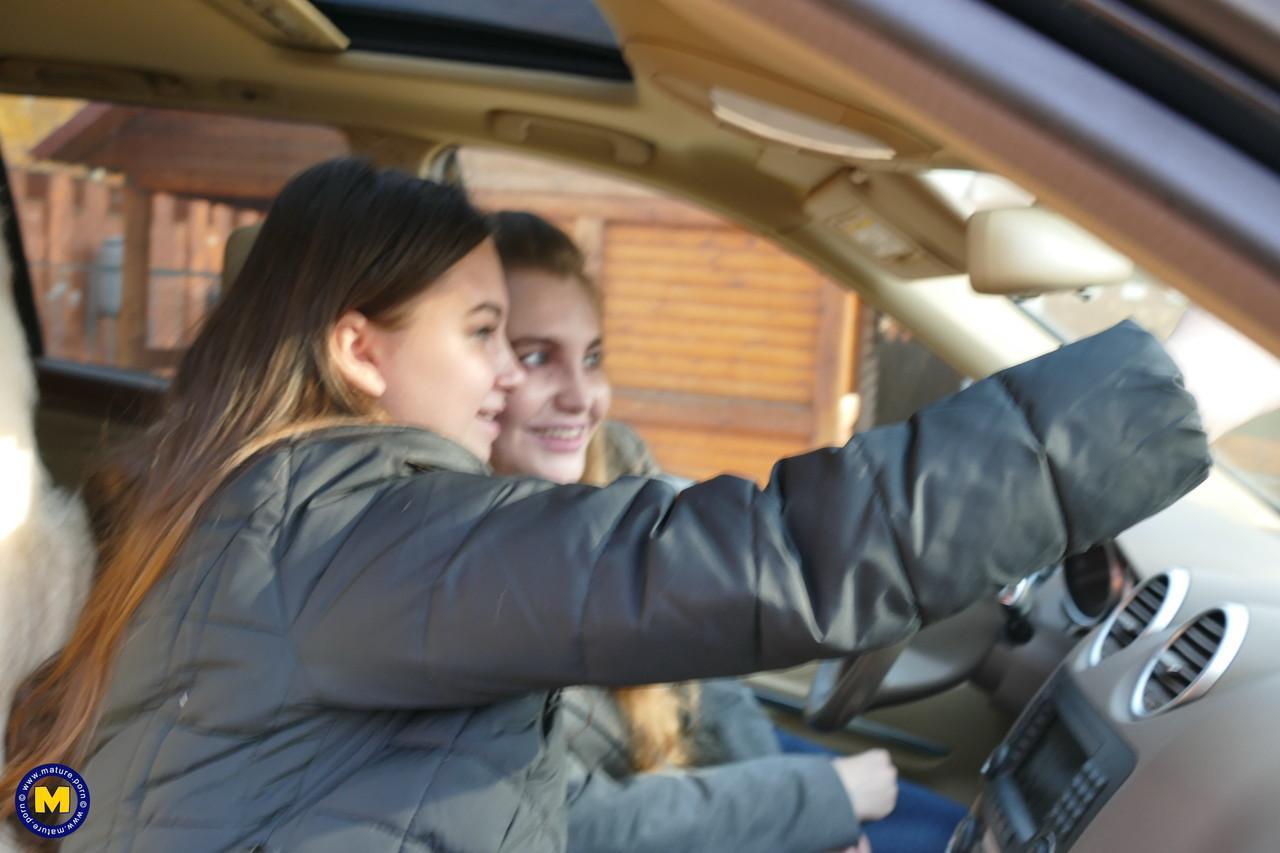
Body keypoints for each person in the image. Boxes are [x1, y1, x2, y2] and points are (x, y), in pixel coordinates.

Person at [0, 157, 1208, 853]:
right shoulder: (369, 529)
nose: (511, 379)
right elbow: (765, 557)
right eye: (486, 338)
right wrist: (1172, 387)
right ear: (360, 351)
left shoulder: (236, 506)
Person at [487, 211, 964, 852]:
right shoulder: (462, 567)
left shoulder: (616, 464)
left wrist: (799, 816)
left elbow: (706, 674)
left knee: (960, 831)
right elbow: (564, 822)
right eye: (537, 356)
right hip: (633, 820)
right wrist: (815, 802)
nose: (582, 397)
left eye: (593, 357)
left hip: (689, 772)